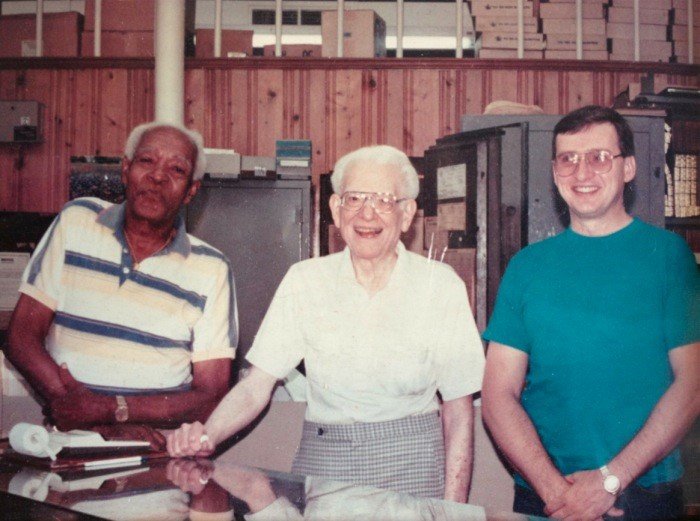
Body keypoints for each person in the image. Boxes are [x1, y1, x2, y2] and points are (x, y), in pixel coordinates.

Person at [167, 145, 485, 502]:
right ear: (336, 209)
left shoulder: (440, 285)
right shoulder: (305, 280)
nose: (366, 214)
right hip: (325, 460)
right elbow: (256, 386)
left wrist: (453, 510)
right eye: (354, 199)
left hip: (413, 464)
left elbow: (459, 412)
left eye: (383, 200)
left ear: (407, 213)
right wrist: (206, 436)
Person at [481, 105, 699, 520]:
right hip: (549, 499)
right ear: (554, 171)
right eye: (568, 159)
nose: (582, 173)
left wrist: (610, 480)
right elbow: (497, 396)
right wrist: (558, 494)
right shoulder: (527, 267)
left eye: (599, 157)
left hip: (644, 493)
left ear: (628, 168)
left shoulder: (668, 257)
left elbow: (692, 384)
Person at [5, 122, 237, 447]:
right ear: (125, 170)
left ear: (191, 191)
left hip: (158, 448)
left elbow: (210, 396)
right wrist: (98, 422)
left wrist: (110, 411)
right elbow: (21, 337)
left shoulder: (212, 268)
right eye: (147, 161)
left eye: (176, 169)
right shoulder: (76, 222)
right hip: (68, 441)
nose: (158, 176)